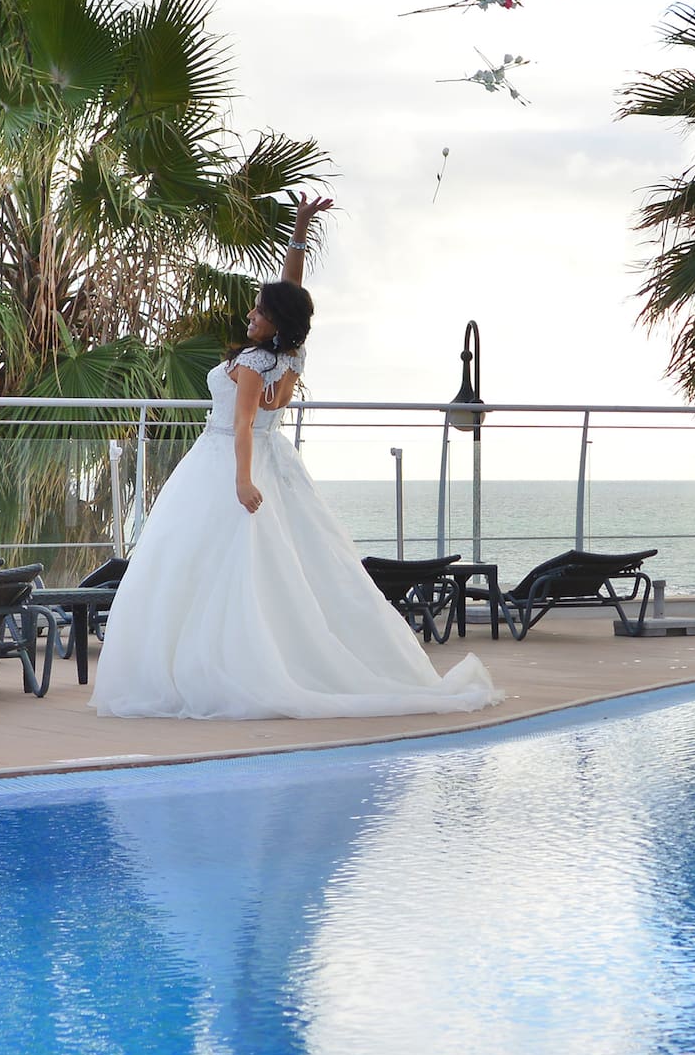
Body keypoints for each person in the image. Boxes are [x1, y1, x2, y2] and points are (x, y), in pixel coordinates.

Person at [93, 193, 500, 720]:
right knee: (272, 566)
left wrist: (241, 481)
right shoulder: (288, 354)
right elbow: (291, 292)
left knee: (222, 566)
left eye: (259, 311)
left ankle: (230, 668)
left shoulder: (254, 362)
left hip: (229, 461)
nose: (251, 313)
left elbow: (242, 425)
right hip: (272, 460)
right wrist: (300, 231)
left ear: (274, 322)